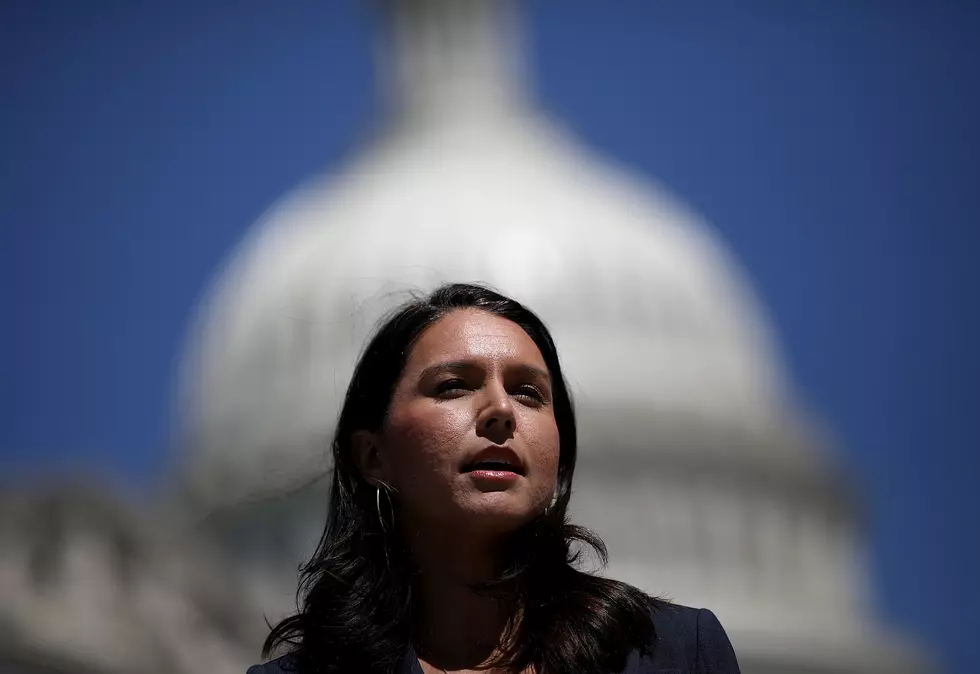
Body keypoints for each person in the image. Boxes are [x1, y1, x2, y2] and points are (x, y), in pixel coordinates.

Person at [247, 283, 740, 674]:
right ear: (373, 456)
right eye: (454, 386)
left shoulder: (675, 655)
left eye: (528, 393)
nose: (501, 411)